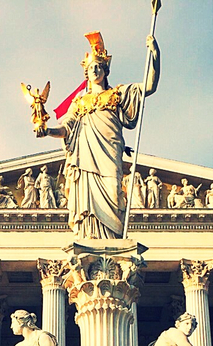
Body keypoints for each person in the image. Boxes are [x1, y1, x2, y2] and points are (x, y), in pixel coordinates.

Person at [37, 32, 159, 241]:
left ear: (105, 70)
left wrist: (155, 55)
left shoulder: (117, 94)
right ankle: (90, 236)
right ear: (86, 73)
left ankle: (112, 239)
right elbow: (66, 129)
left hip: (109, 154)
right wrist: (47, 131)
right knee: (87, 202)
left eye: (98, 67)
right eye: (91, 68)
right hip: (85, 159)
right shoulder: (79, 103)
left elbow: (148, 87)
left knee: (113, 191)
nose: (94, 70)